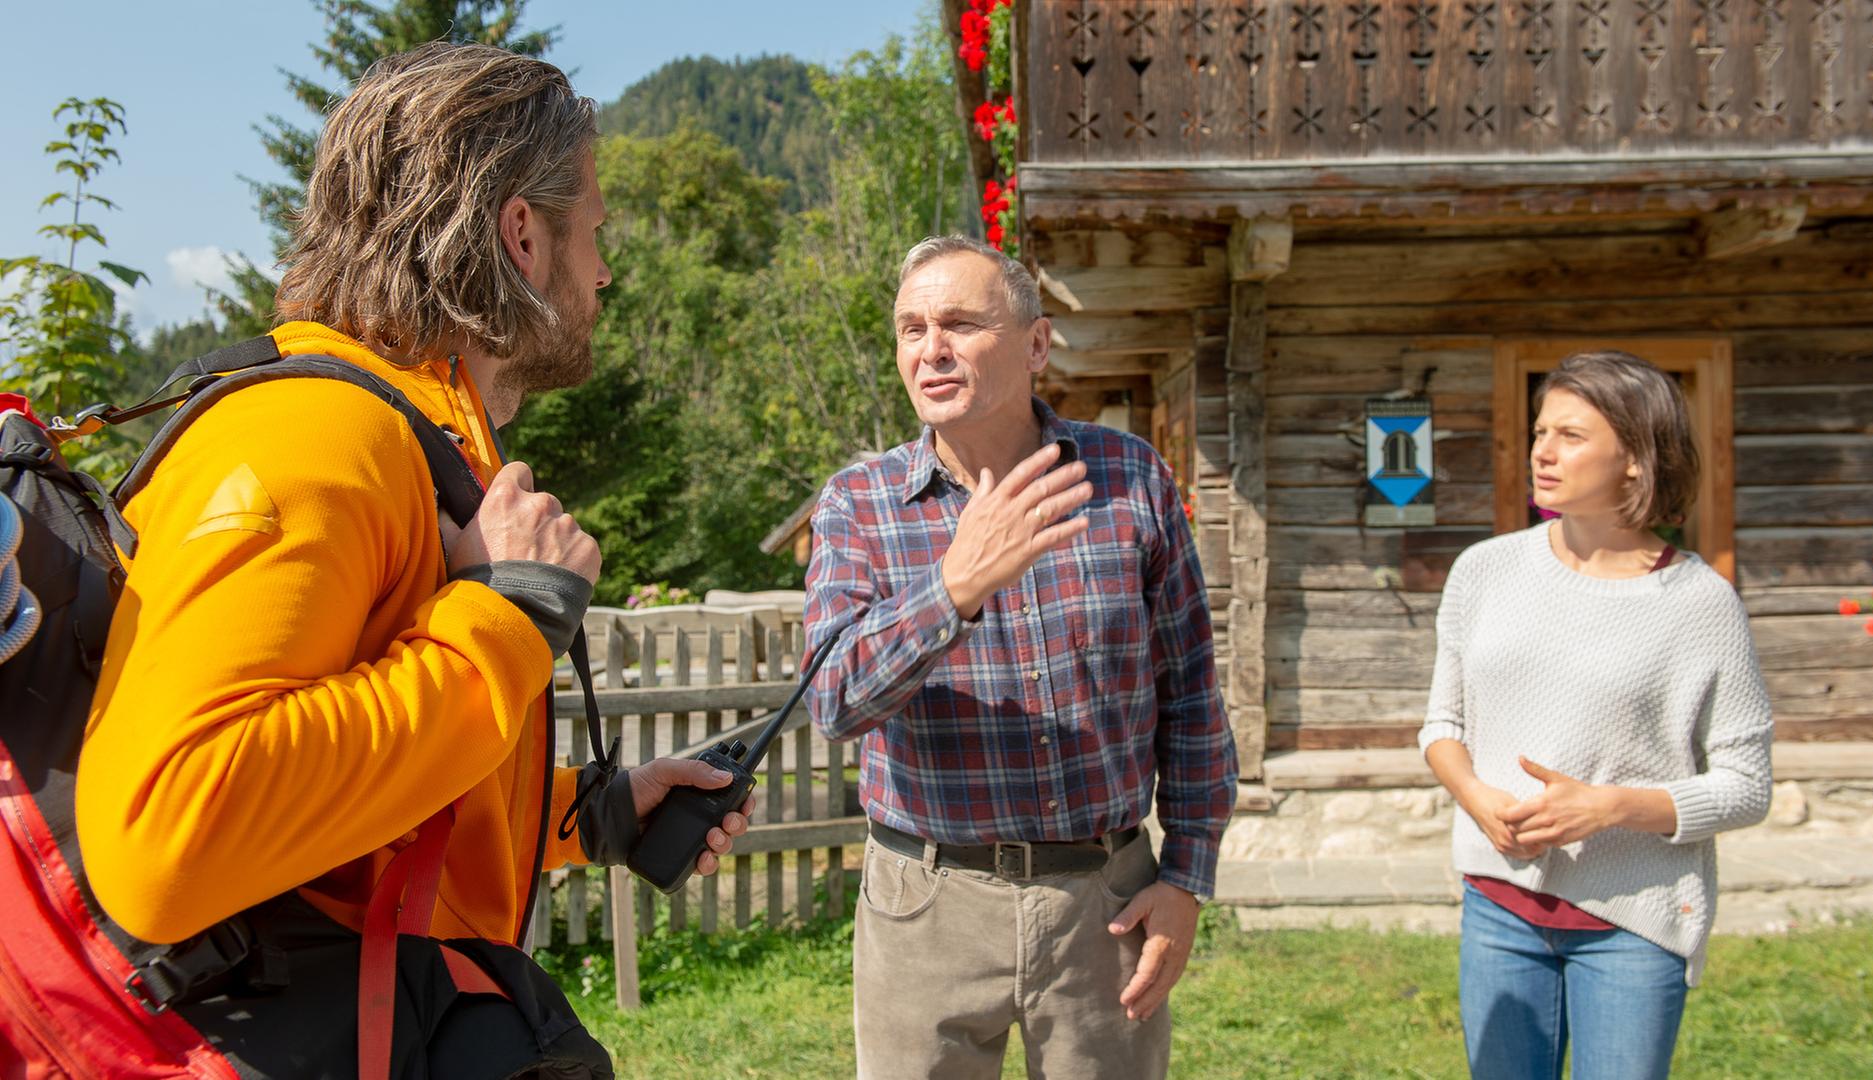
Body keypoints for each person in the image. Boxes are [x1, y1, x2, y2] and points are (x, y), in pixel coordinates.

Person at [69, 42, 750, 1076]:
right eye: (596, 231)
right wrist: (507, 620)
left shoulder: (408, 444)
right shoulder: (314, 441)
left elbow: (344, 818)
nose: (606, 270)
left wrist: (584, 816)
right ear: (523, 232)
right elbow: (174, 832)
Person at [801, 235, 1237, 1080]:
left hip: (1104, 896)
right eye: (910, 329)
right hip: (926, 899)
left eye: (960, 323)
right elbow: (833, 700)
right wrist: (952, 590)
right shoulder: (859, 504)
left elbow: (1190, 696)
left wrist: (1186, 877)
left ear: (1036, 344)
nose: (930, 350)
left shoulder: (1129, 477)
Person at [1420, 350, 1773, 1080]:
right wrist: (1476, 797)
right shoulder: (1483, 571)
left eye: (1571, 436)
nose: (1543, 452)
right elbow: (1442, 726)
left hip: (1633, 922)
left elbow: (1747, 786)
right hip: (1498, 907)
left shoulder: (1699, 603)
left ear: (1638, 460)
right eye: (1541, 431)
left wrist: (1610, 807)